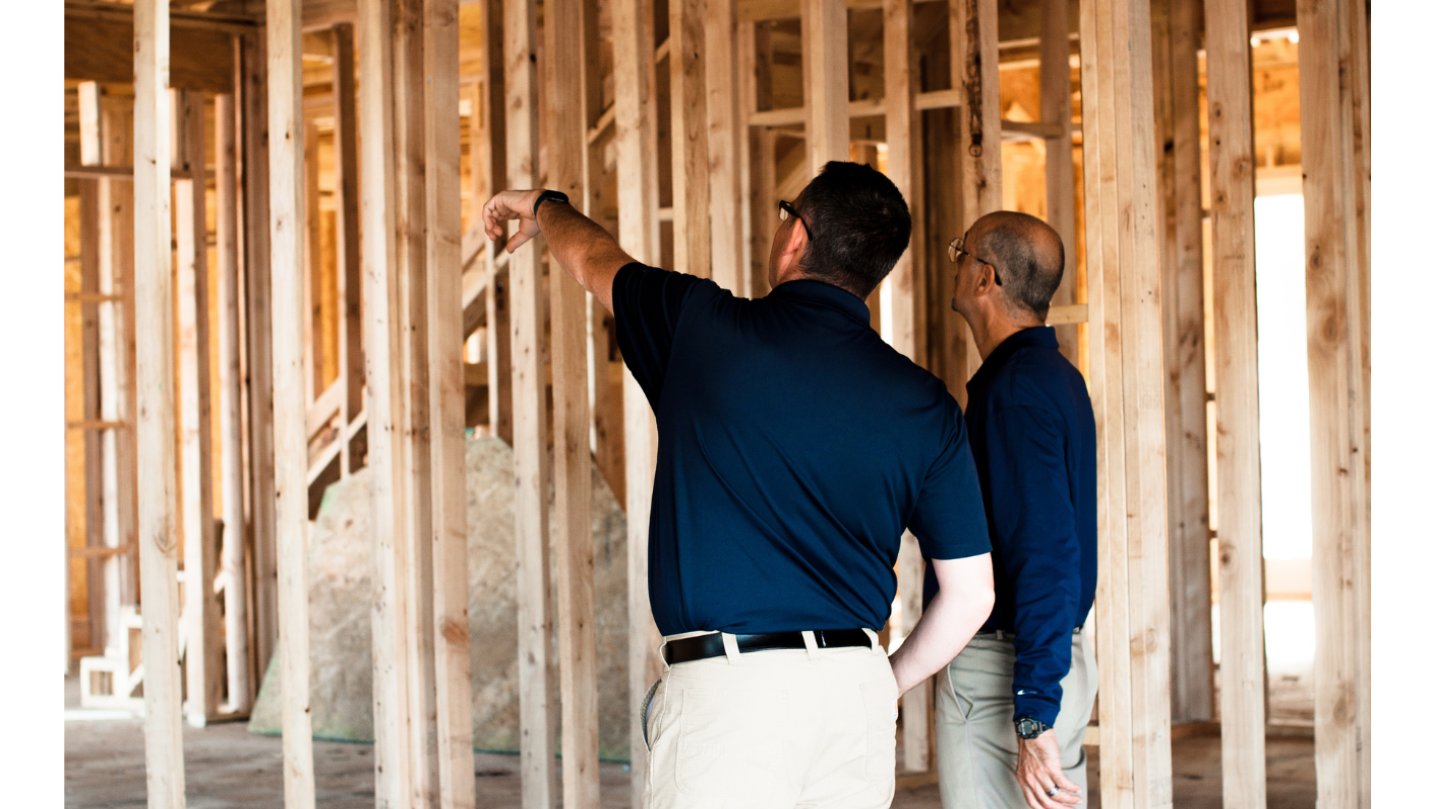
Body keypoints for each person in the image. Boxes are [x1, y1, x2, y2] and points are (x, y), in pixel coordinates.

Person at [483, 161, 995, 809]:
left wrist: (542, 204)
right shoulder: (924, 403)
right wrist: (880, 681)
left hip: (732, 695)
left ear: (796, 237)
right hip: (853, 697)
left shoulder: (700, 328)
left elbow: (594, 257)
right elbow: (971, 593)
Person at [930, 211, 1098, 809]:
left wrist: (1032, 714)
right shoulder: (1052, 377)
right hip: (1048, 660)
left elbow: (1048, 551)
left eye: (960, 251)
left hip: (1009, 671)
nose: (954, 262)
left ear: (986, 278)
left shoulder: (1018, 390)